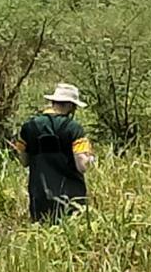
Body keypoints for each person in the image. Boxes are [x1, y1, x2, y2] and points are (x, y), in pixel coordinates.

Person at [14, 83, 95, 222]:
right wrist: (91, 159)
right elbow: (82, 165)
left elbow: (24, 161)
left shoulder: (29, 127)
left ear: (53, 102)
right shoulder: (74, 128)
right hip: (70, 202)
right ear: (71, 106)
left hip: (39, 200)